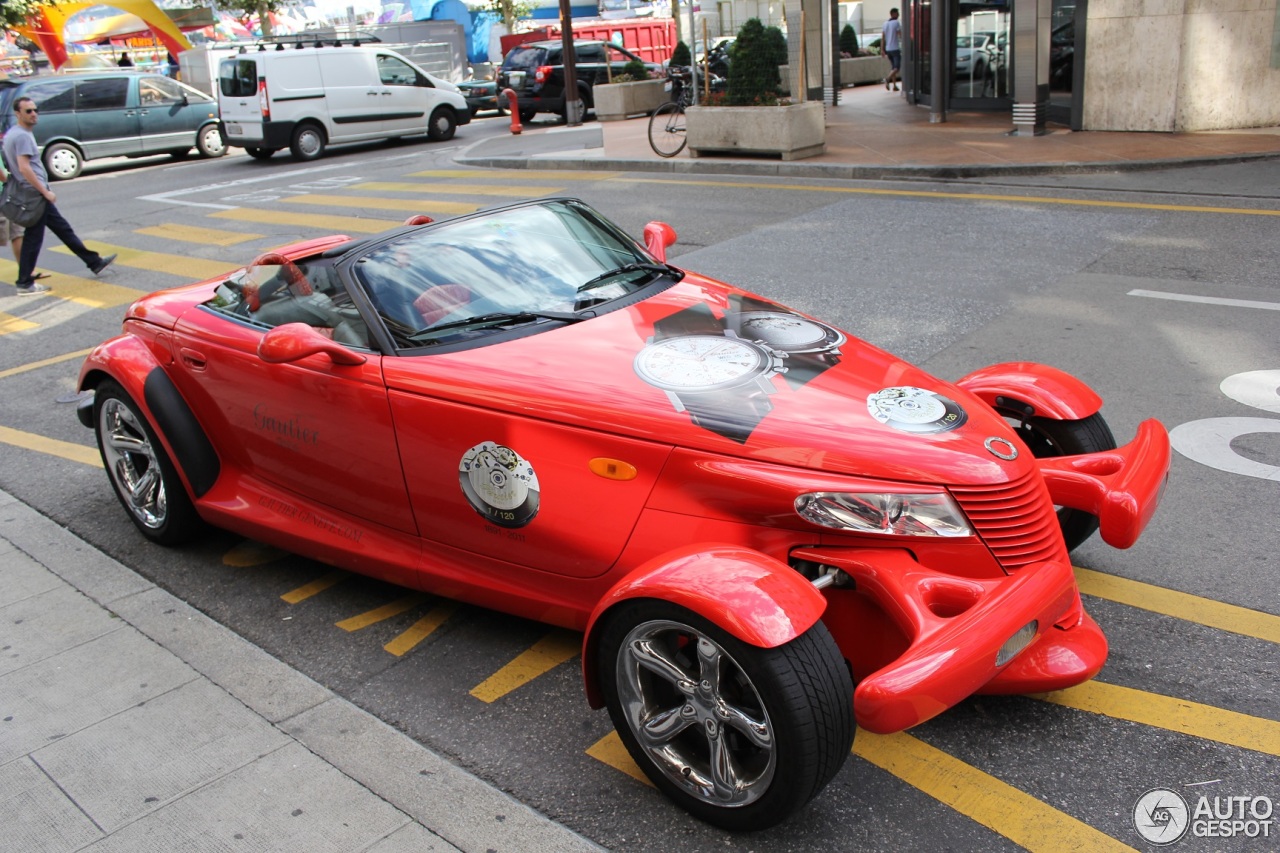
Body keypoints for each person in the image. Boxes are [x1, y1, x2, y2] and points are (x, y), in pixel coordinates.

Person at [3, 97, 115, 296]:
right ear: (18, 113)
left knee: (62, 229)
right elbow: (24, 167)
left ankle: (94, 262)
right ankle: (25, 283)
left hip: (31, 193)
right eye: (28, 111)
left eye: (35, 110)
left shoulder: (13, 134)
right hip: (34, 194)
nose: (33, 114)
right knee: (33, 239)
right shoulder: (22, 136)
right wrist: (44, 191)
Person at [882, 8, 902, 92]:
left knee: (893, 67)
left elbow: (882, 38)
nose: (898, 15)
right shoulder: (896, 23)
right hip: (895, 48)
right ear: (893, 14)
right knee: (897, 68)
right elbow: (900, 35)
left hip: (888, 49)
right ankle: (887, 79)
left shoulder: (885, 23)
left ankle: (894, 86)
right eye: (897, 13)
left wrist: (882, 49)